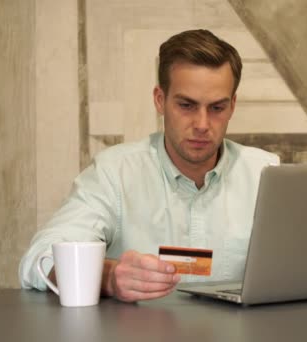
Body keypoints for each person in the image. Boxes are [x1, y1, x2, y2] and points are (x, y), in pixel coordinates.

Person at [19, 29, 279, 302]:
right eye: (187, 105)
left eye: (216, 108)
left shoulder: (267, 175)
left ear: (232, 106)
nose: (202, 125)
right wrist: (107, 276)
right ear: (159, 100)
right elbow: (39, 260)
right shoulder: (114, 173)